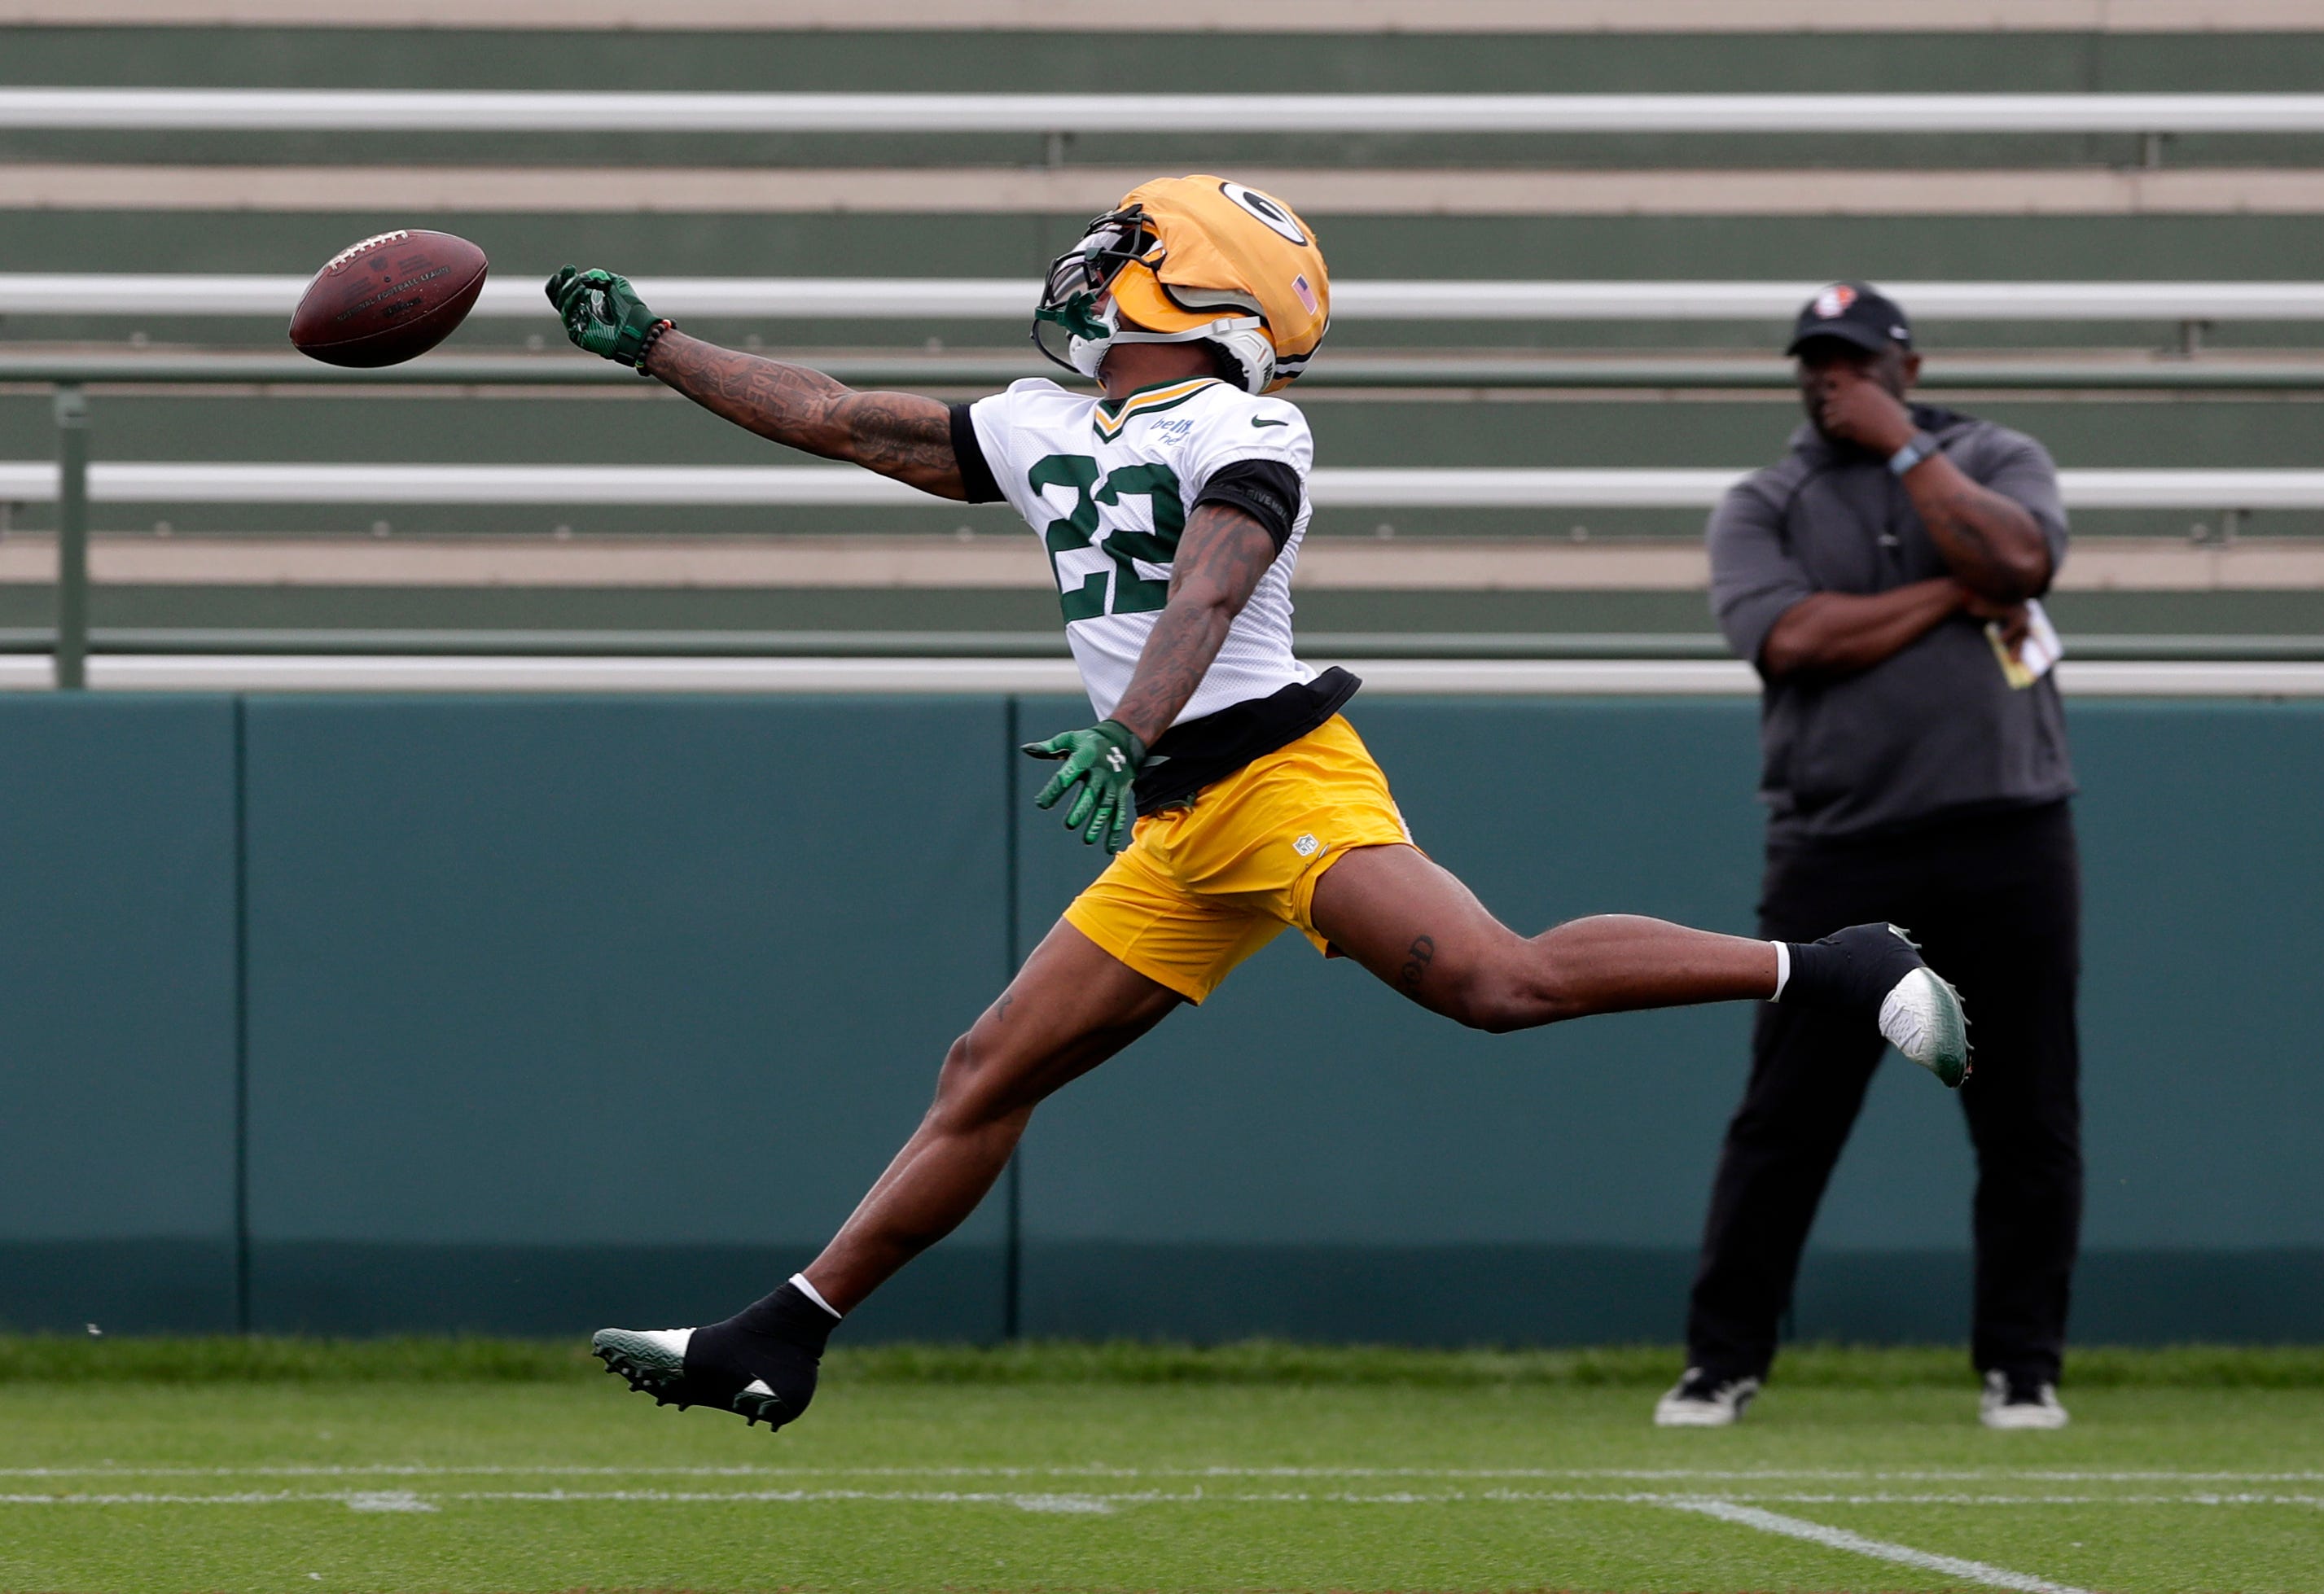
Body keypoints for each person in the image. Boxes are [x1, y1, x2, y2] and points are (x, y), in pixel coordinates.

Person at [546, 183, 1970, 1432]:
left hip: (1267, 774)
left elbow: (1210, 580)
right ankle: (779, 1338)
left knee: (1497, 982)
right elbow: (848, 421)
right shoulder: (1048, 418)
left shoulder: (1247, 423)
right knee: (990, 1068)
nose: (1092, 266)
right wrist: (661, 346)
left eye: (1127, 248)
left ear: (1198, 280)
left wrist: (1123, 724)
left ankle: (1833, 964)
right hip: (1177, 811)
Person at [1656, 283, 2081, 1433]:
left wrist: (1907, 458)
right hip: (1837, 844)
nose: (1832, 378)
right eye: (1815, 362)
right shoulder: (1766, 498)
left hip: (2008, 829)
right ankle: (1719, 1362)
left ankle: (2021, 1367)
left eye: (1853, 359)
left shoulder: (1995, 454)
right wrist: (1958, 590)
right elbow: (1791, 639)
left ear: (1905, 362)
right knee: (1786, 1115)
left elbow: (2023, 561)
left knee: (2025, 1109)